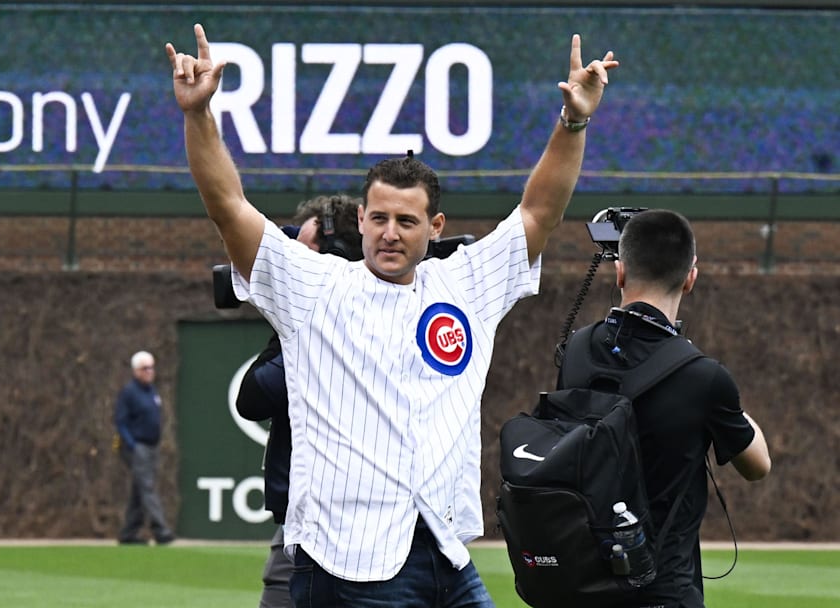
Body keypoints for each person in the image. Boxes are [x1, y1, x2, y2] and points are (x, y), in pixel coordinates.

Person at [166, 23, 618, 606]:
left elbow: (538, 212)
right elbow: (229, 207)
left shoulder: (464, 285)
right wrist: (199, 116)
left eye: (406, 222)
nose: (388, 233)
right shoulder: (314, 287)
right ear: (360, 221)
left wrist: (574, 122)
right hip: (344, 563)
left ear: (434, 229)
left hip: (446, 554)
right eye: (378, 218)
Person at [557, 209, 771, 608]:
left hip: (584, 584)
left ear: (620, 272)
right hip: (665, 590)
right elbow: (758, 466)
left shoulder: (577, 350)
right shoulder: (703, 377)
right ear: (691, 277)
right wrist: (720, 398)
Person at [236, 195, 363, 608]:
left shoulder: (333, 321)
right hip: (312, 518)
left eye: (307, 249)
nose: (295, 260)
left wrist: (289, 325)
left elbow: (253, 397)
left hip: (333, 526)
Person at [114, 350, 175, 545]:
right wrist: (132, 444)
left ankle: (128, 533)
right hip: (137, 446)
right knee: (147, 486)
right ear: (136, 370)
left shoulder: (152, 391)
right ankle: (161, 530)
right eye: (145, 368)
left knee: (139, 489)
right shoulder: (129, 392)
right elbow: (120, 422)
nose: (149, 371)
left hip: (151, 446)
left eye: (151, 367)